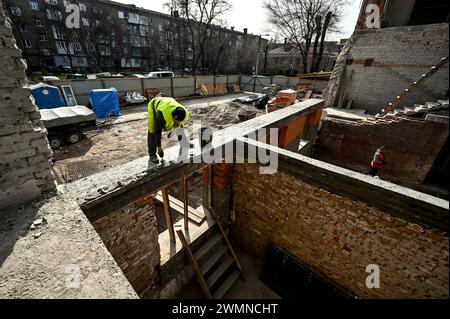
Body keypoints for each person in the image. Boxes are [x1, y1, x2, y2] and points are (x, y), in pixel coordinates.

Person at [147, 96, 190, 163]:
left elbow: (179, 126)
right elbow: (157, 130)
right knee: (152, 130)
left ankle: (183, 143)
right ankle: (152, 154)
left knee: (179, 127)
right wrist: (159, 147)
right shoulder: (162, 114)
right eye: (175, 121)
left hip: (168, 101)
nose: (176, 123)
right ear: (172, 116)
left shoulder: (184, 113)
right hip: (154, 104)